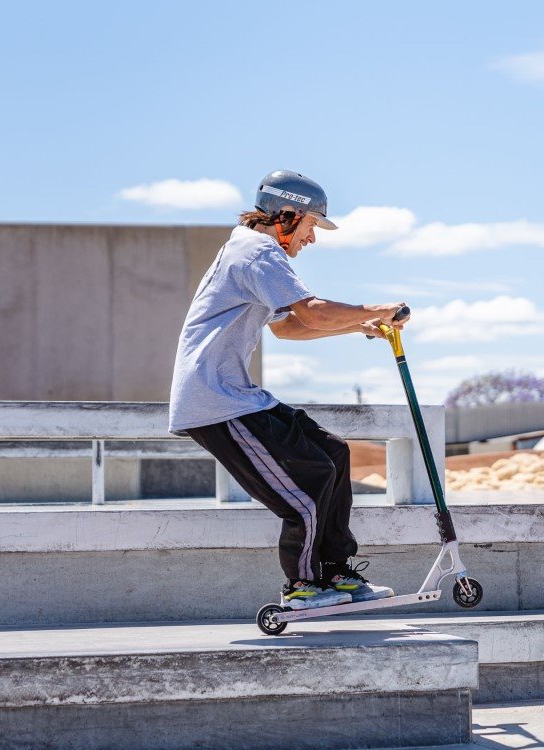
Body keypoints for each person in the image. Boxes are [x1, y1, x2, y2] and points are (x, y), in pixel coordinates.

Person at [168, 170, 406, 611]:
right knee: (306, 488)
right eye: (312, 226)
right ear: (288, 215)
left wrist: (361, 325)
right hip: (215, 402)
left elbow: (290, 329)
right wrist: (379, 308)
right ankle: (302, 584)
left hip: (236, 396)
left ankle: (336, 571)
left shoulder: (250, 251)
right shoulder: (257, 252)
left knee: (334, 454)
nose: (311, 239)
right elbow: (312, 312)